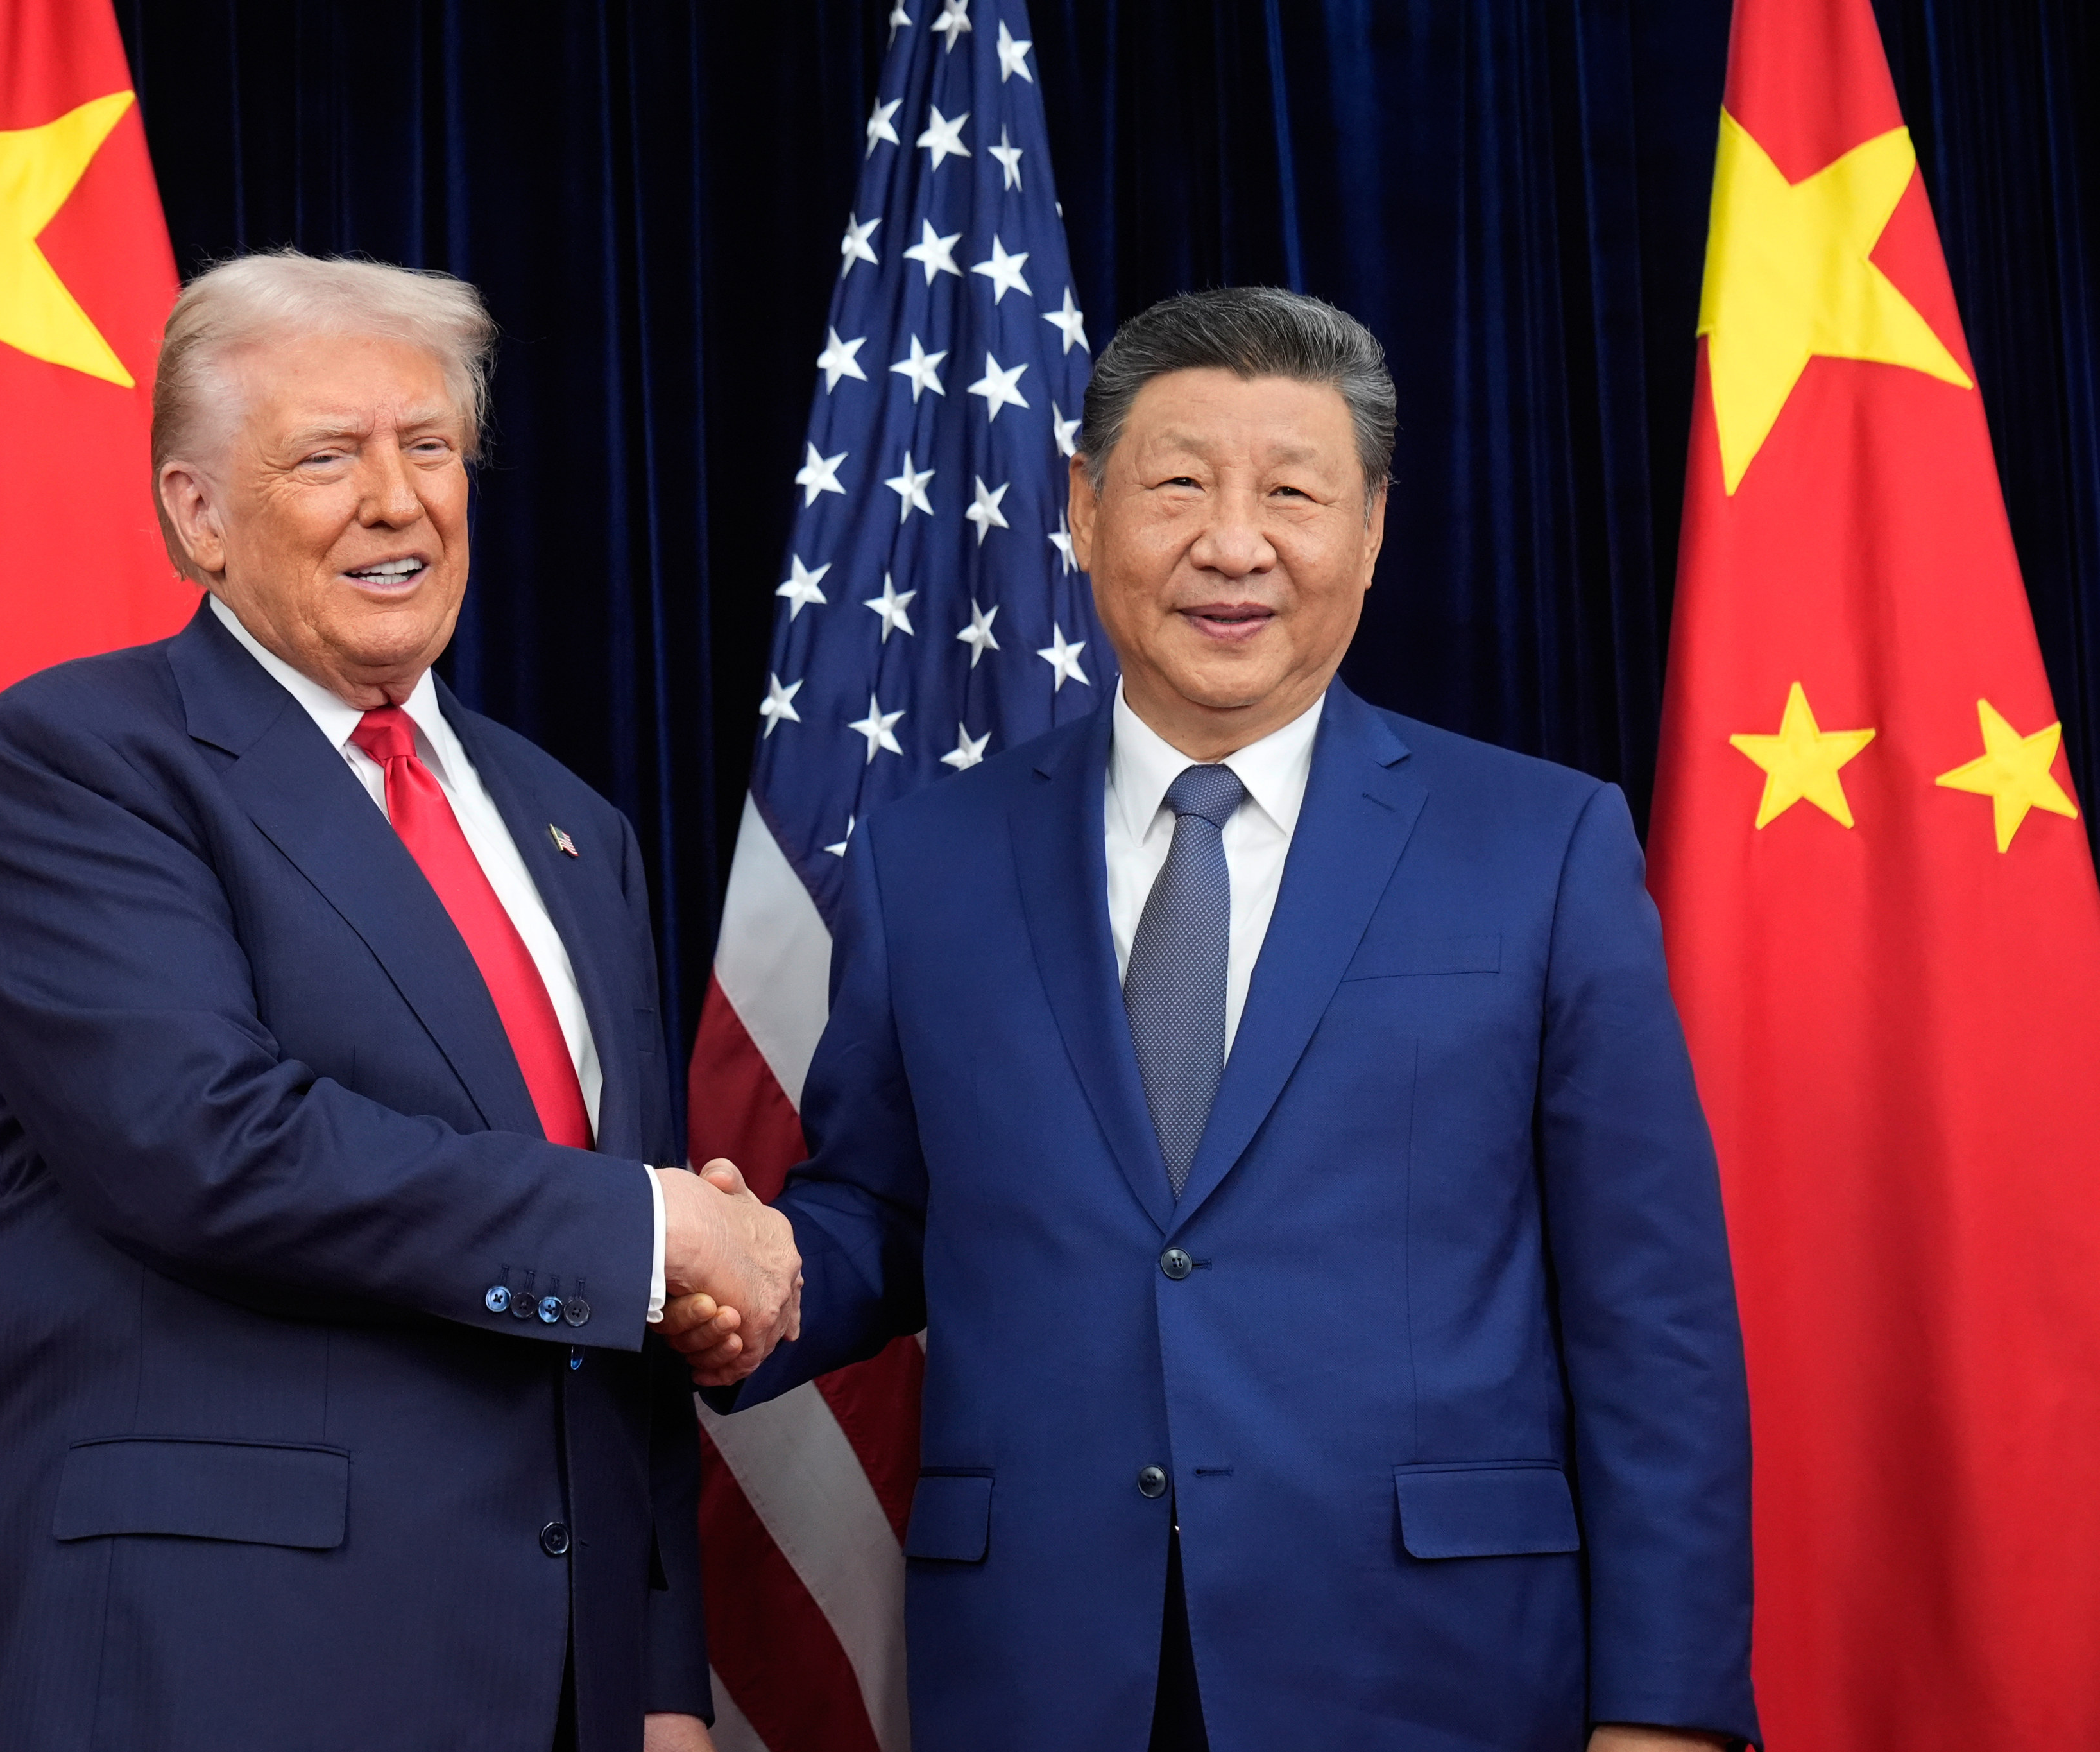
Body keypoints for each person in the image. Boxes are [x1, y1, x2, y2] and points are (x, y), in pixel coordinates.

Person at [674, 288, 1757, 1751]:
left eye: (1293, 493)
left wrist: (1666, 1716)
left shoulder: (1538, 845)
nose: (1232, 543)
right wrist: (752, 1279)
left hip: (1432, 1668)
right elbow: (887, 1211)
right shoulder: (927, 861)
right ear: (1083, 505)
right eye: (1178, 483)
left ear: (1369, 530)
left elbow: (1653, 1324)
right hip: (1045, 1667)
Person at [0, 250, 799, 1752]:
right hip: (209, 1662)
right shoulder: (78, 762)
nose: (397, 500)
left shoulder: (574, 829)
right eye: (327, 456)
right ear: (196, 514)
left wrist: (653, 1673)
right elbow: (205, 1144)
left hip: (555, 1684)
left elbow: (603, 1313)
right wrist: (657, 1230)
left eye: (428, 447)